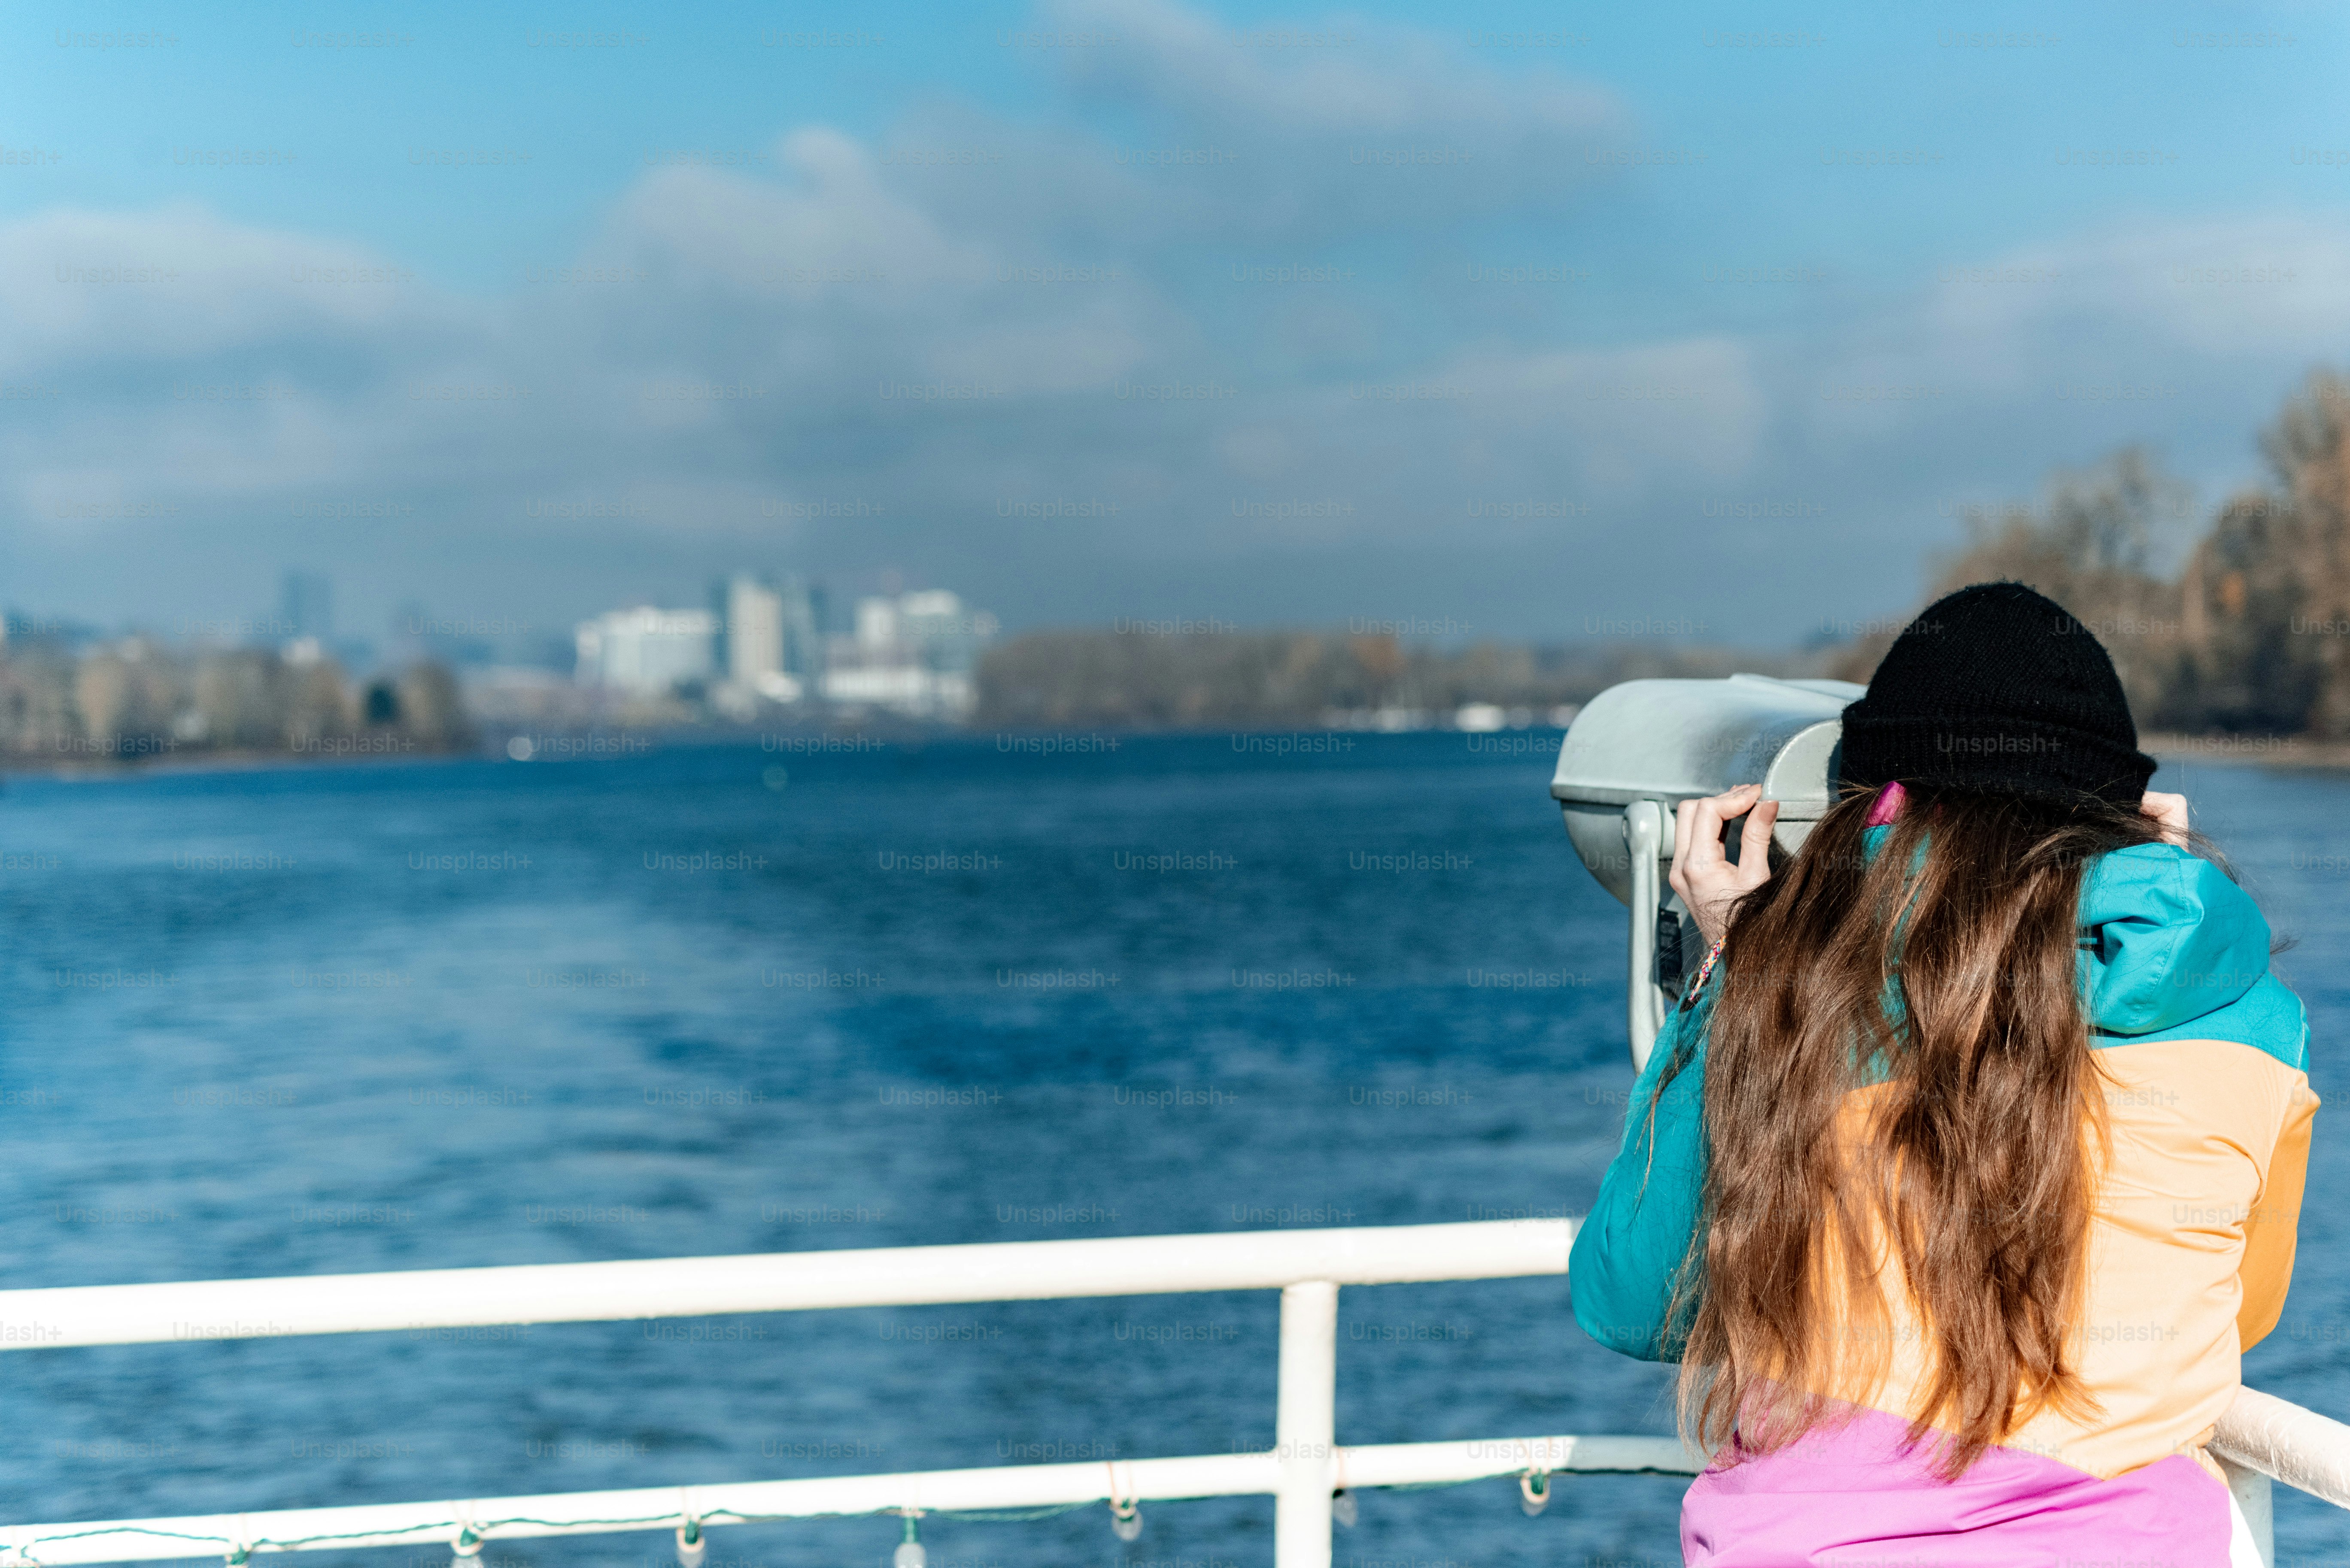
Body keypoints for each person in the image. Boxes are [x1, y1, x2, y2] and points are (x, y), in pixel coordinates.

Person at [1569, 582, 2314, 1566]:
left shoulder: (1790, 997)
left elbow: (1630, 1296)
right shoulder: (2252, 1018)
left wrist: (1726, 972)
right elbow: (2239, 1305)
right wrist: (2164, 909)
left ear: (1872, 807)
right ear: (2127, 813)